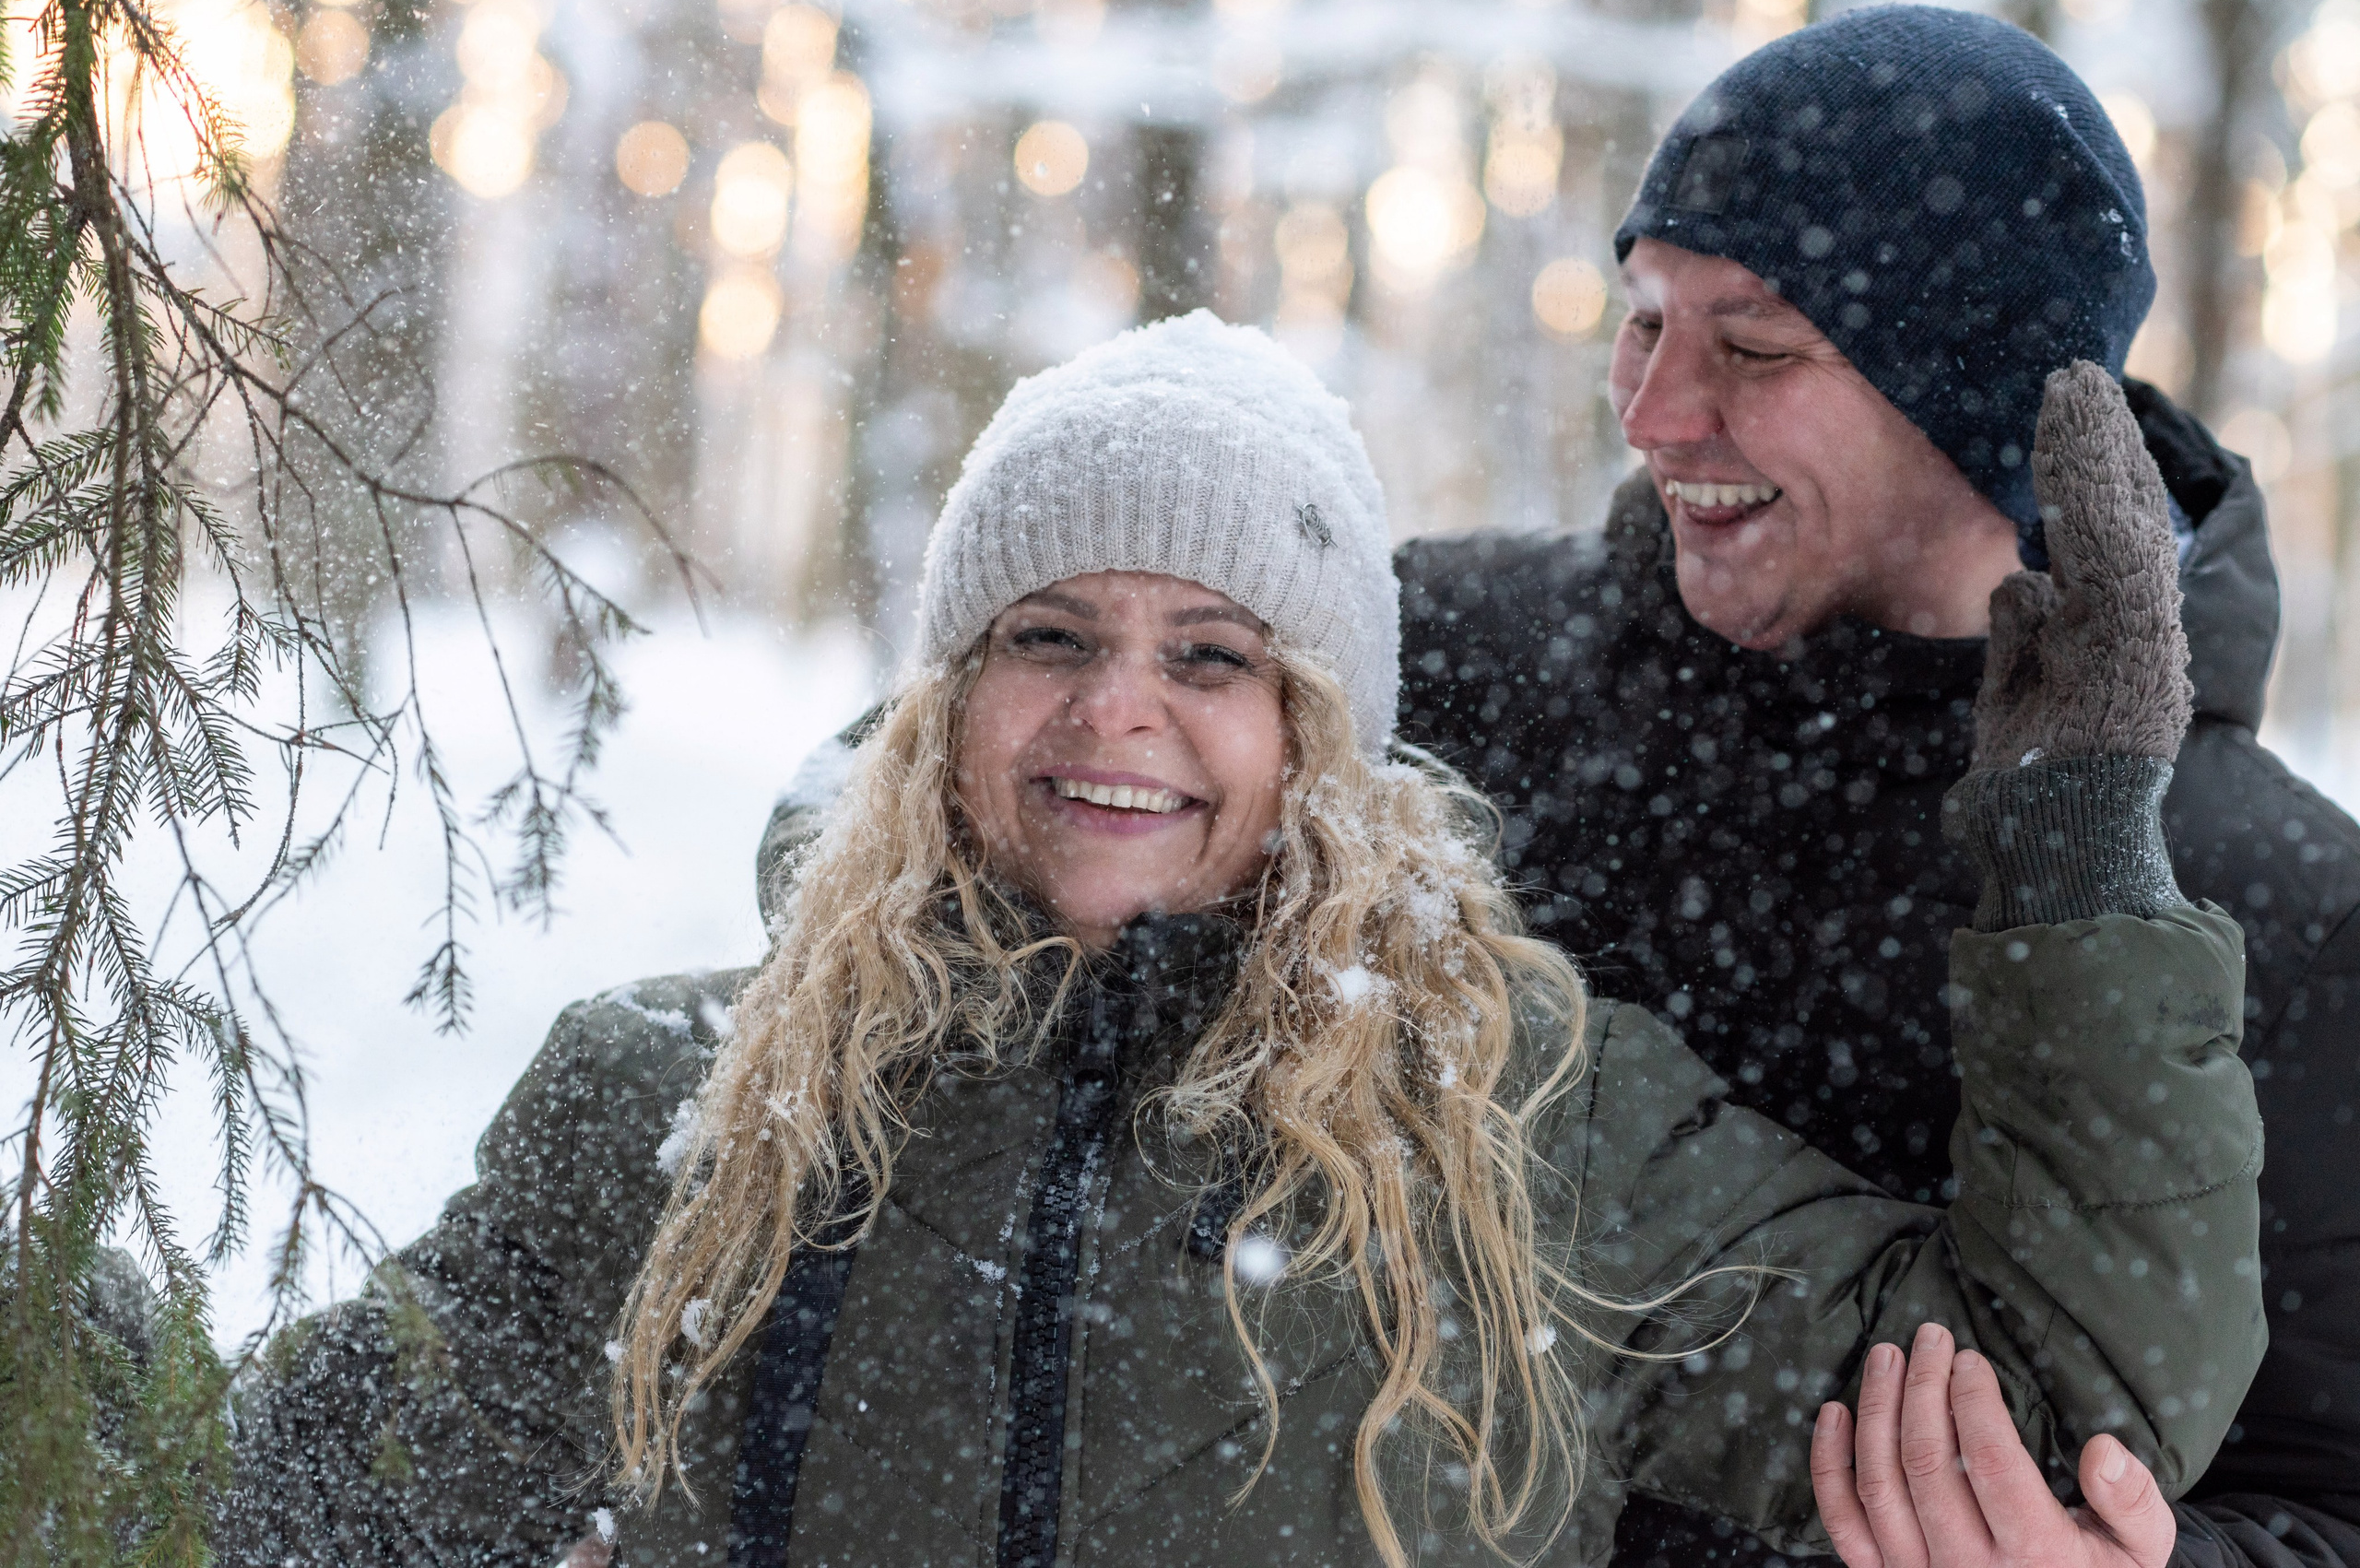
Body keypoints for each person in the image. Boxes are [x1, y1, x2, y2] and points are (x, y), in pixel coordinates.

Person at [218, 314, 2260, 1568]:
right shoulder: (676, 1104)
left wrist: (2076, 837)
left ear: (1314, 739)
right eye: (1045, 636)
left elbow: (2057, 1395)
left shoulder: (1526, 1130)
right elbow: (282, 1506)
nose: (1117, 711)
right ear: (943, 698)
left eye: (1211, 657)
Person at [1394, 6, 2360, 1568]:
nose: (1651, 414)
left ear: (1977, 401)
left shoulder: (2284, 903)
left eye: (1755, 347)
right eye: (1643, 320)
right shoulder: (1439, 672)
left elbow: (2331, 1501)